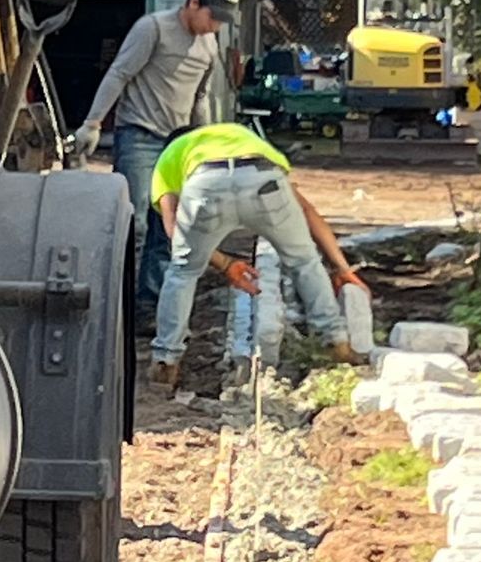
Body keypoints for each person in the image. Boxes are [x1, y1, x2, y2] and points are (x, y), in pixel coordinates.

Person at [146, 118, 366, 389]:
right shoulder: (240, 136)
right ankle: (337, 342)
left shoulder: (169, 158)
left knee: (182, 271)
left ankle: (166, 361)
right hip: (261, 174)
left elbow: (174, 232)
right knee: (304, 261)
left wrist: (226, 264)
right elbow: (307, 212)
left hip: (205, 183)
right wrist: (342, 268)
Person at [69, 0, 240, 320]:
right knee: (134, 224)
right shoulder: (153, 29)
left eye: (222, 21)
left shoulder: (208, 44)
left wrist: (201, 143)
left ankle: (148, 305)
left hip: (177, 143)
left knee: (167, 225)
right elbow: (119, 74)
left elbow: (201, 97)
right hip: (140, 136)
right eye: (212, 16)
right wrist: (92, 123)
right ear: (193, 3)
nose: (215, 26)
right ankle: (114, 303)